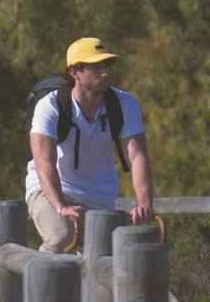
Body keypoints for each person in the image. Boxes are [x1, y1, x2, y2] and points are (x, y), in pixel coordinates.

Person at [26, 37, 155, 252]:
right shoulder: (50, 106)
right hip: (50, 190)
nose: (106, 73)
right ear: (74, 72)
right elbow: (43, 163)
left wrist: (144, 204)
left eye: (107, 66)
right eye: (96, 67)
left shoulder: (124, 103)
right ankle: (41, 283)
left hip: (99, 198)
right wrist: (61, 207)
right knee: (62, 238)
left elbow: (138, 156)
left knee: (113, 256)